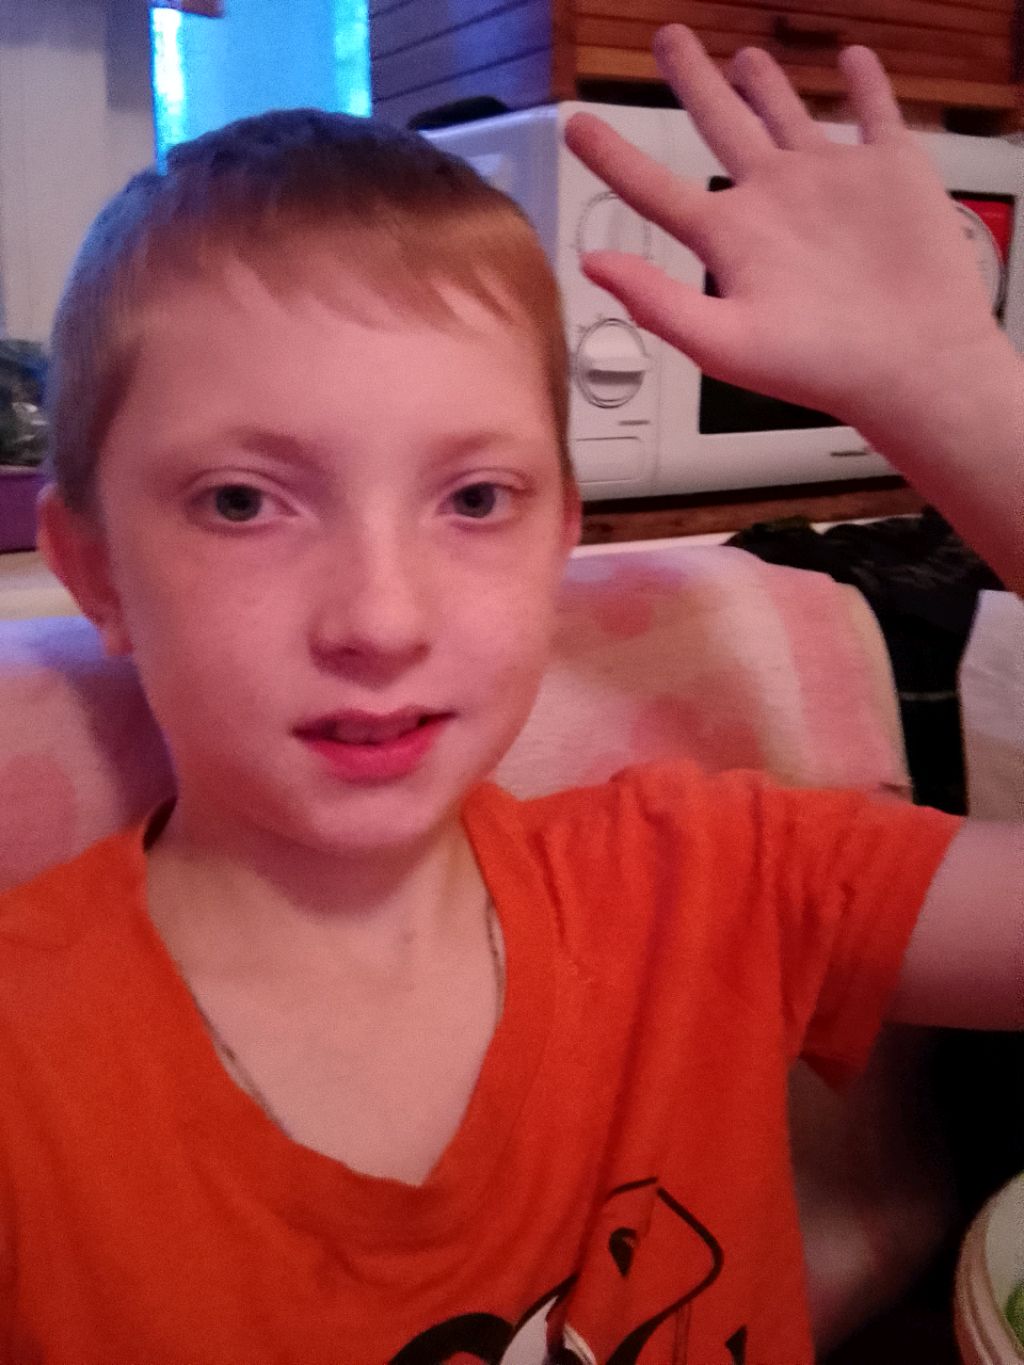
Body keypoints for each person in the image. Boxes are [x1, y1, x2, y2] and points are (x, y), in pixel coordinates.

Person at [0, 23, 1019, 1364]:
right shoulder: (27, 1065)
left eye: (476, 499)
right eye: (242, 502)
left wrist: (956, 389)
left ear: (559, 542)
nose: (381, 619)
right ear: (95, 570)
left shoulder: (706, 886)